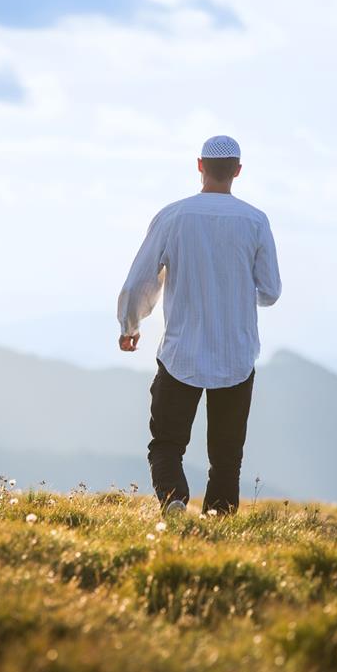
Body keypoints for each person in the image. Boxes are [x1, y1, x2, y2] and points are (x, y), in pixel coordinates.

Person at [116, 135, 281, 517]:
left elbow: (140, 279)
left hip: (181, 351)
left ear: (199, 166)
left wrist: (131, 324)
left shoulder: (173, 216)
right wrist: (238, 293)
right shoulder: (255, 221)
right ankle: (220, 521)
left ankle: (173, 499)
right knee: (226, 456)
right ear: (237, 171)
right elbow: (270, 291)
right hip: (236, 353)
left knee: (167, 443)